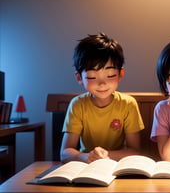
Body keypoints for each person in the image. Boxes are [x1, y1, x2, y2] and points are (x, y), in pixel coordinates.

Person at [60, 33, 144, 163]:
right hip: (86, 165)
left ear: (120, 74)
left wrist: (104, 155)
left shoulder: (128, 104)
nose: (102, 83)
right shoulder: (78, 105)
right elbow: (65, 153)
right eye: (92, 77)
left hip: (117, 165)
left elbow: (135, 151)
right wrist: (86, 156)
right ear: (79, 78)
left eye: (110, 75)